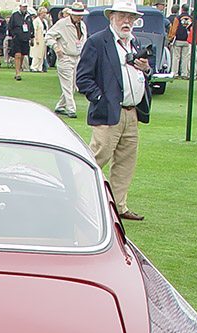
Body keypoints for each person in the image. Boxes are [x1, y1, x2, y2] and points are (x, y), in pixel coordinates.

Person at [76, 0, 150, 222]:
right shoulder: (97, 42)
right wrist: (101, 98)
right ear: (111, 17)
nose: (126, 21)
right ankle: (77, 200)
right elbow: (83, 78)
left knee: (126, 162)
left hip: (131, 112)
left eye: (130, 17)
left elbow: (143, 75)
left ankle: (118, 206)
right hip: (108, 113)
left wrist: (146, 69)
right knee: (98, 158)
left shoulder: (134, 43)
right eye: (122, 16)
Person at [45, 0, 86, 117]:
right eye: (77, 15)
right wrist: (56, 48)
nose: (79, 17)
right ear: (72, 14)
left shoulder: (82, 25)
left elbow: (83, 41)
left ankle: (60, 106)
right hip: (65, 57)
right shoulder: (62, 23)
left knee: (73, 85)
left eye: (80, 15)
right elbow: (48, 36)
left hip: (77, 57)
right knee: (67, 84)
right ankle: (71, 109)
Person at [6, 0, 33, 80]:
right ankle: (17, 73)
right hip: (17, 38)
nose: (24, 8)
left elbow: (31, 27)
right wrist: (12, 35)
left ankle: (19, 70)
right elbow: (10, 26)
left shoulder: (28, 16)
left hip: (25, 38)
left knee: (22, 55)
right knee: (17, 55)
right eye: (23, 7)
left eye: (26, 7)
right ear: (20, 7)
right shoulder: (15, 15)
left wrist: (32, 37)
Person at [169, 6, 191, 78]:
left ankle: (175, 73)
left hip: (178, 39)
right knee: (185, 58)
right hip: (187, 40)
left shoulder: (178, 18)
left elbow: (174, 29)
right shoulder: (191, 18)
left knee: (176, 57)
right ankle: (184, 73)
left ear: (181, 9)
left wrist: (171, 38)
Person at [30, 6, 48, 73]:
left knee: (42, 54)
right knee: (36, 53)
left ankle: (40, 67)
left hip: (44, 38)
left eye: (45, 13)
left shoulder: (45, 21)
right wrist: (36, 39)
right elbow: (34, 30)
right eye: (43, 12)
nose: (44, 14)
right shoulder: (36, 21)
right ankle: (34, 67)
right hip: (38, 38)